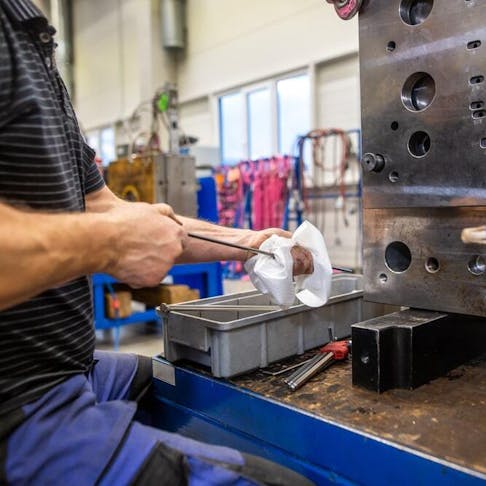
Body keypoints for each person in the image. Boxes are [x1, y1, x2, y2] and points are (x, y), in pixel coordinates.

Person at [0, 1, 314, 484]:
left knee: (187, 385)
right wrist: (111, 243)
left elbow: (101, 208)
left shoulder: (27, 34)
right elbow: (110, 229)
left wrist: (247, 241)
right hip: (19, 404)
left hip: (70, 369)